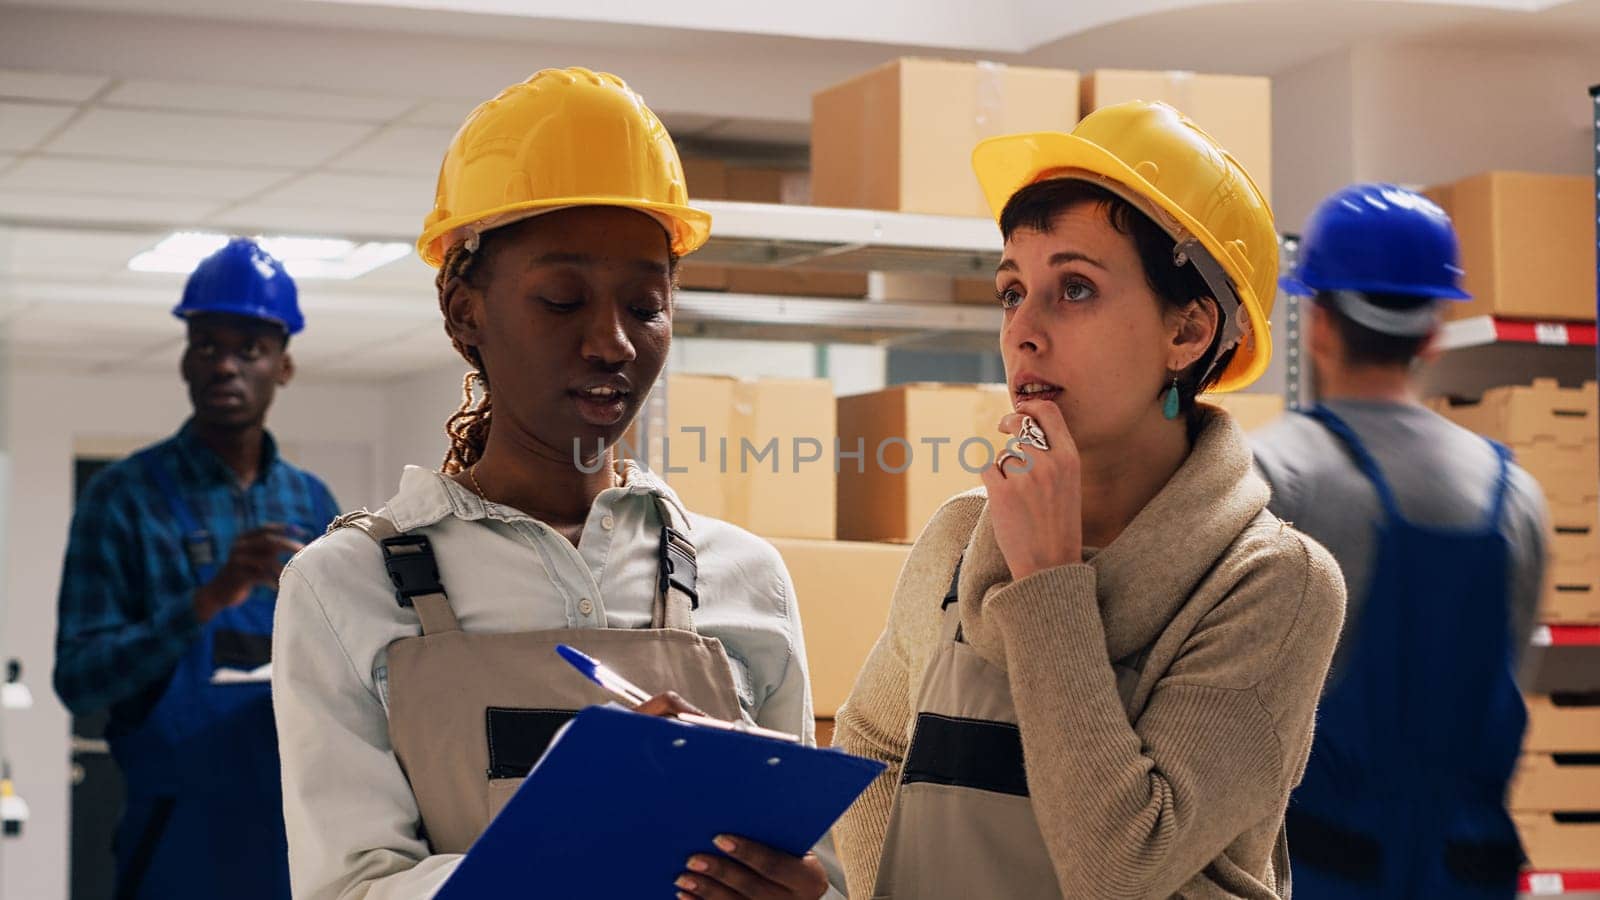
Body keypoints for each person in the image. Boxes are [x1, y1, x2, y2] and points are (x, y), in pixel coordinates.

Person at [272, 68, 838, 900]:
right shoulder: (342, 588)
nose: (612, 343)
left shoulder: (743, 576)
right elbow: (348, 888)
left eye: (645, 305)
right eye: (563, 300)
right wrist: (577, 845)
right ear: (466, 312)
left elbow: (816, 867)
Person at [832, 101, 1347, 899]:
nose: (1023, 332)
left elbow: (1121, 866)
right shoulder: (961, 536)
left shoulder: (1274, 585)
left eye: (1074, 289)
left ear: (1189, 332)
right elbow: (871, 744)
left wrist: (1046, 581)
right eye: (1012, 291)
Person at [1252, 183, 1549, 899]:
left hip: (1320, 876)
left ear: (1319, 323)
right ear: (1434, 330)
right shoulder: (1518, 498)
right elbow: (1513, 684)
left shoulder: (1272, 473)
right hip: (1468, 878)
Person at [53, 237, 339, 900]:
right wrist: (204, 602)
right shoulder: (123, 499)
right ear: (184, 359)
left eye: (249, 349)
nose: (225, 366)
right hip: (173, 840)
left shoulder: (312, 502)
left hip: (296, 834)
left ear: (284, 366)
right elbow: (79, 682)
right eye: (207, 345)